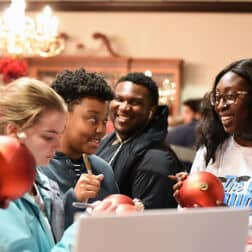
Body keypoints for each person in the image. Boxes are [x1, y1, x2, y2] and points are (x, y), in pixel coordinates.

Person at [0, 77, 74, 252]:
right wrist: (79, 235)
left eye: (59, 136)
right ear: (14, 131)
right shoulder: (4, 187)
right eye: (48, 137)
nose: (58, 146)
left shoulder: (40, 182)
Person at [39, 68, 119, 228]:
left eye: (104, 121)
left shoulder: (103, 169)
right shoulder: (39, 170)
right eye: (92, 119)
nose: (101, 130)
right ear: (63, 115)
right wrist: (74, 200)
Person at [96, 72, 184, 209]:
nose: (124, 107)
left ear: (152, 110)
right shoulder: (106, 141)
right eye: (119, 99)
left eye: (135, 102)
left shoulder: (156, 159)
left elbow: (149, 222)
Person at [173, 58, 252, 209]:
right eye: (217, 98)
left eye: (230, 97)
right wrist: (187, 199)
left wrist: (226, 218)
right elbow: (190, 221)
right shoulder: (210, 150)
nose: (221, 106)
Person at [166, 98, 202, 171]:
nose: (183, 116)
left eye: (187, 112)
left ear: (197, 114)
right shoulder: (210, 133)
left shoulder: (174, 132)